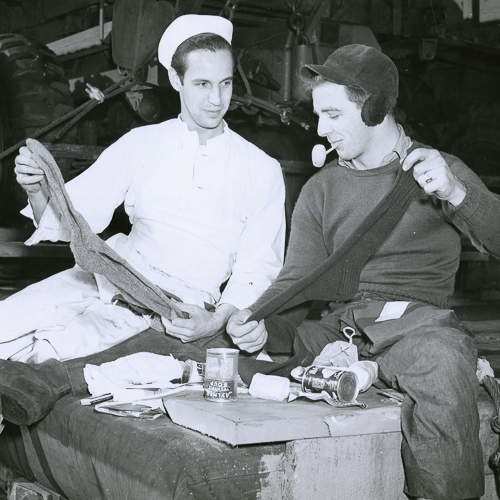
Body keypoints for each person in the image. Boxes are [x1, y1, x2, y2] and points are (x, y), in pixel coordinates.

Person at [226, 44, 500, 500]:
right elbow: (297, 285)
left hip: (415, 328)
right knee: (211, 348)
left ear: (374, 106)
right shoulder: (321, 190)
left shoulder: (436, 169)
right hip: (338, 330)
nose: (320, 129)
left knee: (443, 357)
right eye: (318, 115)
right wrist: (259, 324)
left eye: (333, 114)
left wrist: (456, 193)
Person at [0, 13, 285, 421]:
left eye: (225, 83)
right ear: (176, 81)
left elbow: (258, 268)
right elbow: (70, 218)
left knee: (44, 361)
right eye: (202, 84)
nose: (216, 99)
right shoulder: (143, 144)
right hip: (103, 279)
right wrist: (35, 188)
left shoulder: (261, 169)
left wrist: (214, 320)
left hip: (172, 310)